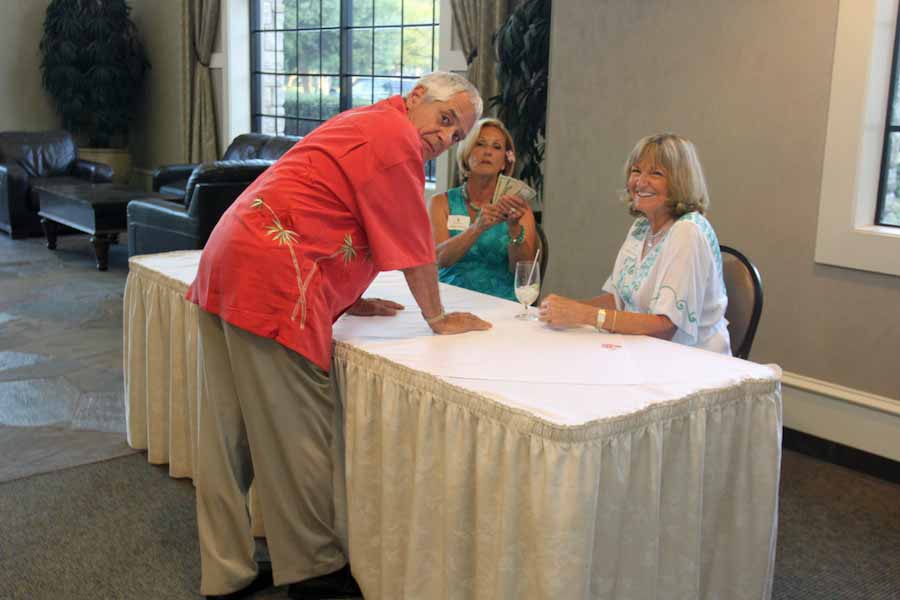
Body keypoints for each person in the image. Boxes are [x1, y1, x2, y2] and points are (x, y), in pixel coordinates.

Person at [185, 71, 491, 600]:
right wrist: (437, 317)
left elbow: (328, 209)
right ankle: (315, 575)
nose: (445, 139)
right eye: (445, 121)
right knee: (297, 436)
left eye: (456, 136)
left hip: (229, 260)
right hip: (274, 279)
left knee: (227, 437)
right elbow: (415, 244)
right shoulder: (397, 141)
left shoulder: (369, 122)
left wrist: (346, 297)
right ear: (416, 97)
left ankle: (225, 573)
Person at [538, 133, 731, 355]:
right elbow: (618, 299)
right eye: (636, 171)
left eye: (656, 173)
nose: (640, 182)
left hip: (693, 362)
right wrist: (566, 308)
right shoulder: (642, 227)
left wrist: (585, 315)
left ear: (680, 181)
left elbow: (666, 328)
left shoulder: (688, 231)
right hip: (642, 351)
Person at [428, 118, 539, 301]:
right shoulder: (441, 203)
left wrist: (514, 229)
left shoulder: (519, 208)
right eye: (480, 144)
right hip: (450, 299)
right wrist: (477, 228)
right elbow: (438, 259)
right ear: (466, 153)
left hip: (501, 302)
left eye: (496, 147)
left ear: (505, 161)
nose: (487, 152)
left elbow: (522, 272)